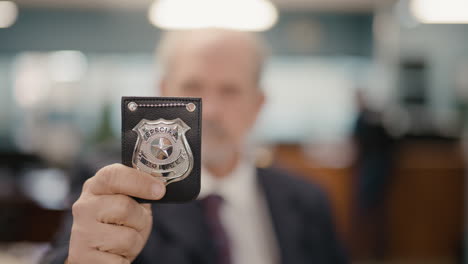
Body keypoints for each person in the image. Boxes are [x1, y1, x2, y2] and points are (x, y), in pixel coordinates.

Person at [43, 29, 348, 264]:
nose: (210, 110)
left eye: (230, 91)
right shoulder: (117, 192)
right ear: (163, 94)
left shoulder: (308, 201)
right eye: (192, 88)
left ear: (258, 105)